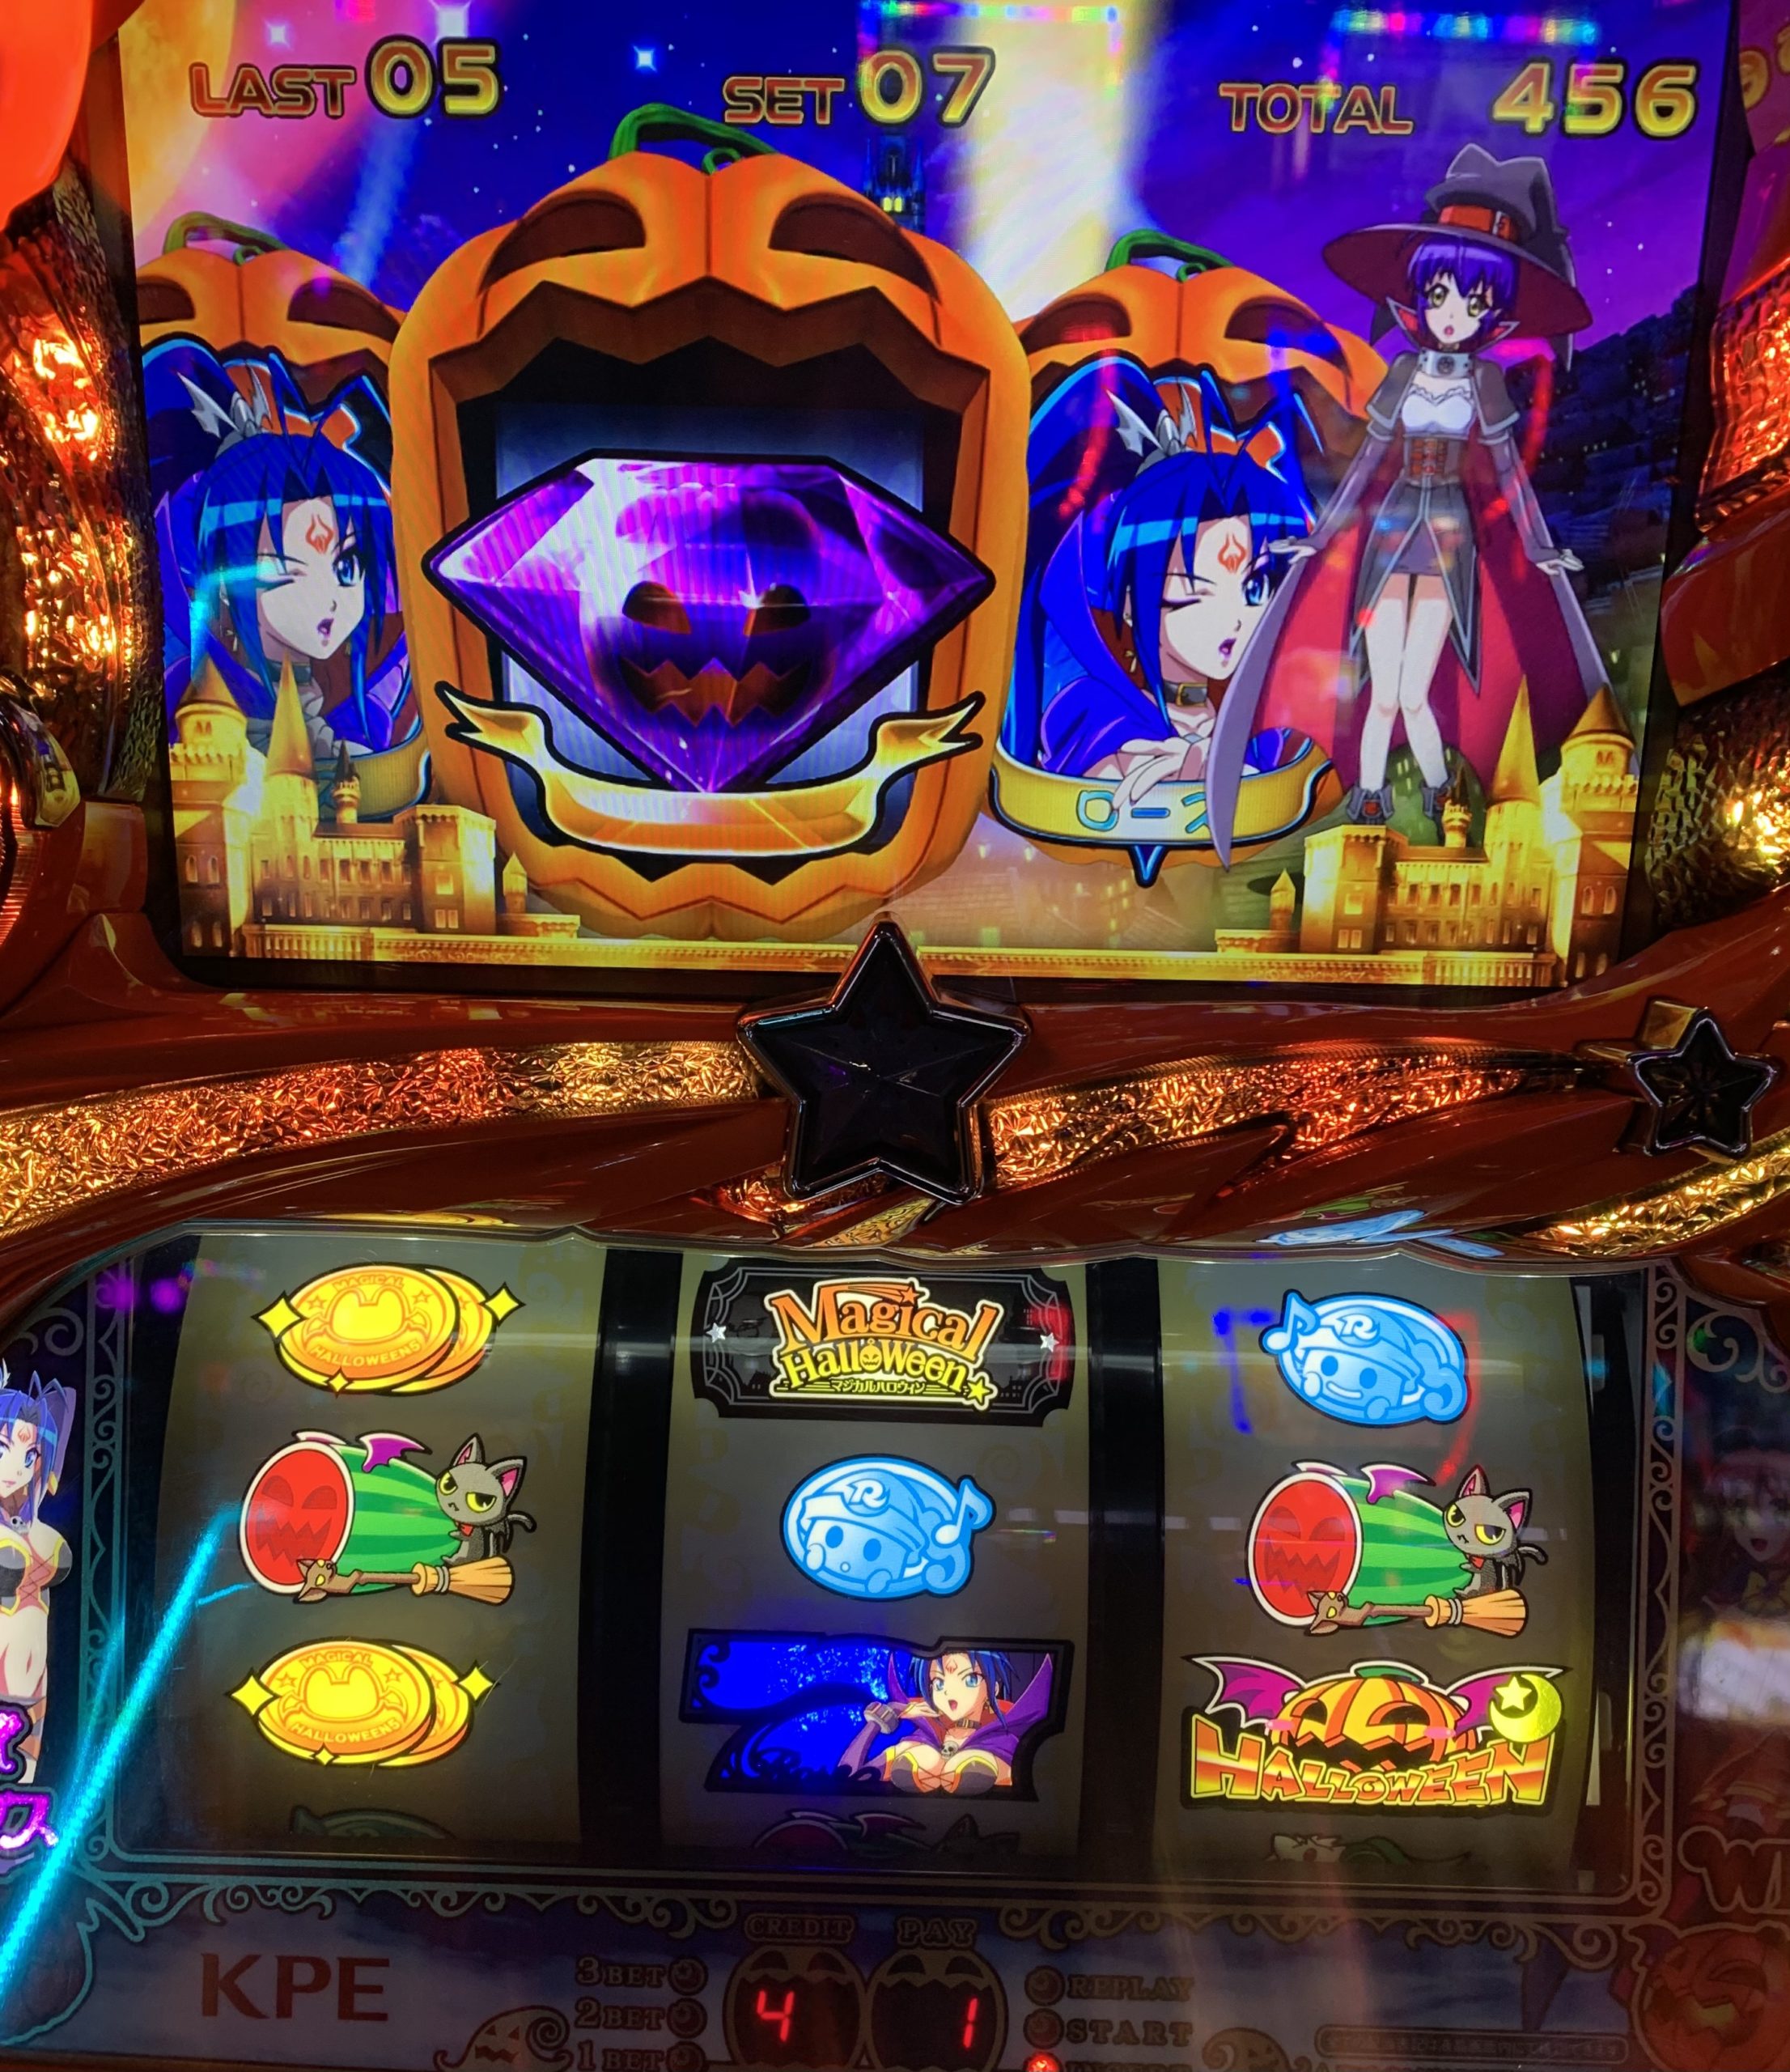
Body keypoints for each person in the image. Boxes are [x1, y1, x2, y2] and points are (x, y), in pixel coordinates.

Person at [1205, 146, 1609, 861]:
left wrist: (1541, 548)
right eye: (1441, 294)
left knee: (1414, 690)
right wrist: (1319, 536)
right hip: (1388, 540)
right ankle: (1376, 792)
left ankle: (1441, 790)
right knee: (1383, 689)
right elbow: (1367, 464)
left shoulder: (1485, 386)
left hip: (1451, 544)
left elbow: (1506, 474)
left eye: (1475, 302)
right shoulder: (1400, 374)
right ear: (1418, 296)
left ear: (1497, 315)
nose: (1453, 314)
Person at [1004, 356, 1313, 824]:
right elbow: (1089, 780)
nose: (1235, 618)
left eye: (1253, 588)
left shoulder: (1257, 723)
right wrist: (1129, 771)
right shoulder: (1095, 709)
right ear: (1130, 601)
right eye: (1197, 591)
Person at [837, 1647, 1054, 1795]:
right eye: (939, 1683)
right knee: (919, 1755)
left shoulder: (1003, 1739)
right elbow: (846, 1778)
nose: (950, 1692)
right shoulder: (922, 1736)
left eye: (969, 1679)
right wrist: (883, 1717)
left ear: (994, 1688)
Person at [0, 1370, 74, 1781]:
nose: (16, 1467)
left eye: (29, 1456)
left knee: (23, 1782)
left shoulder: (34, 1525)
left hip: (34, 1687)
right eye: (3, 1448)